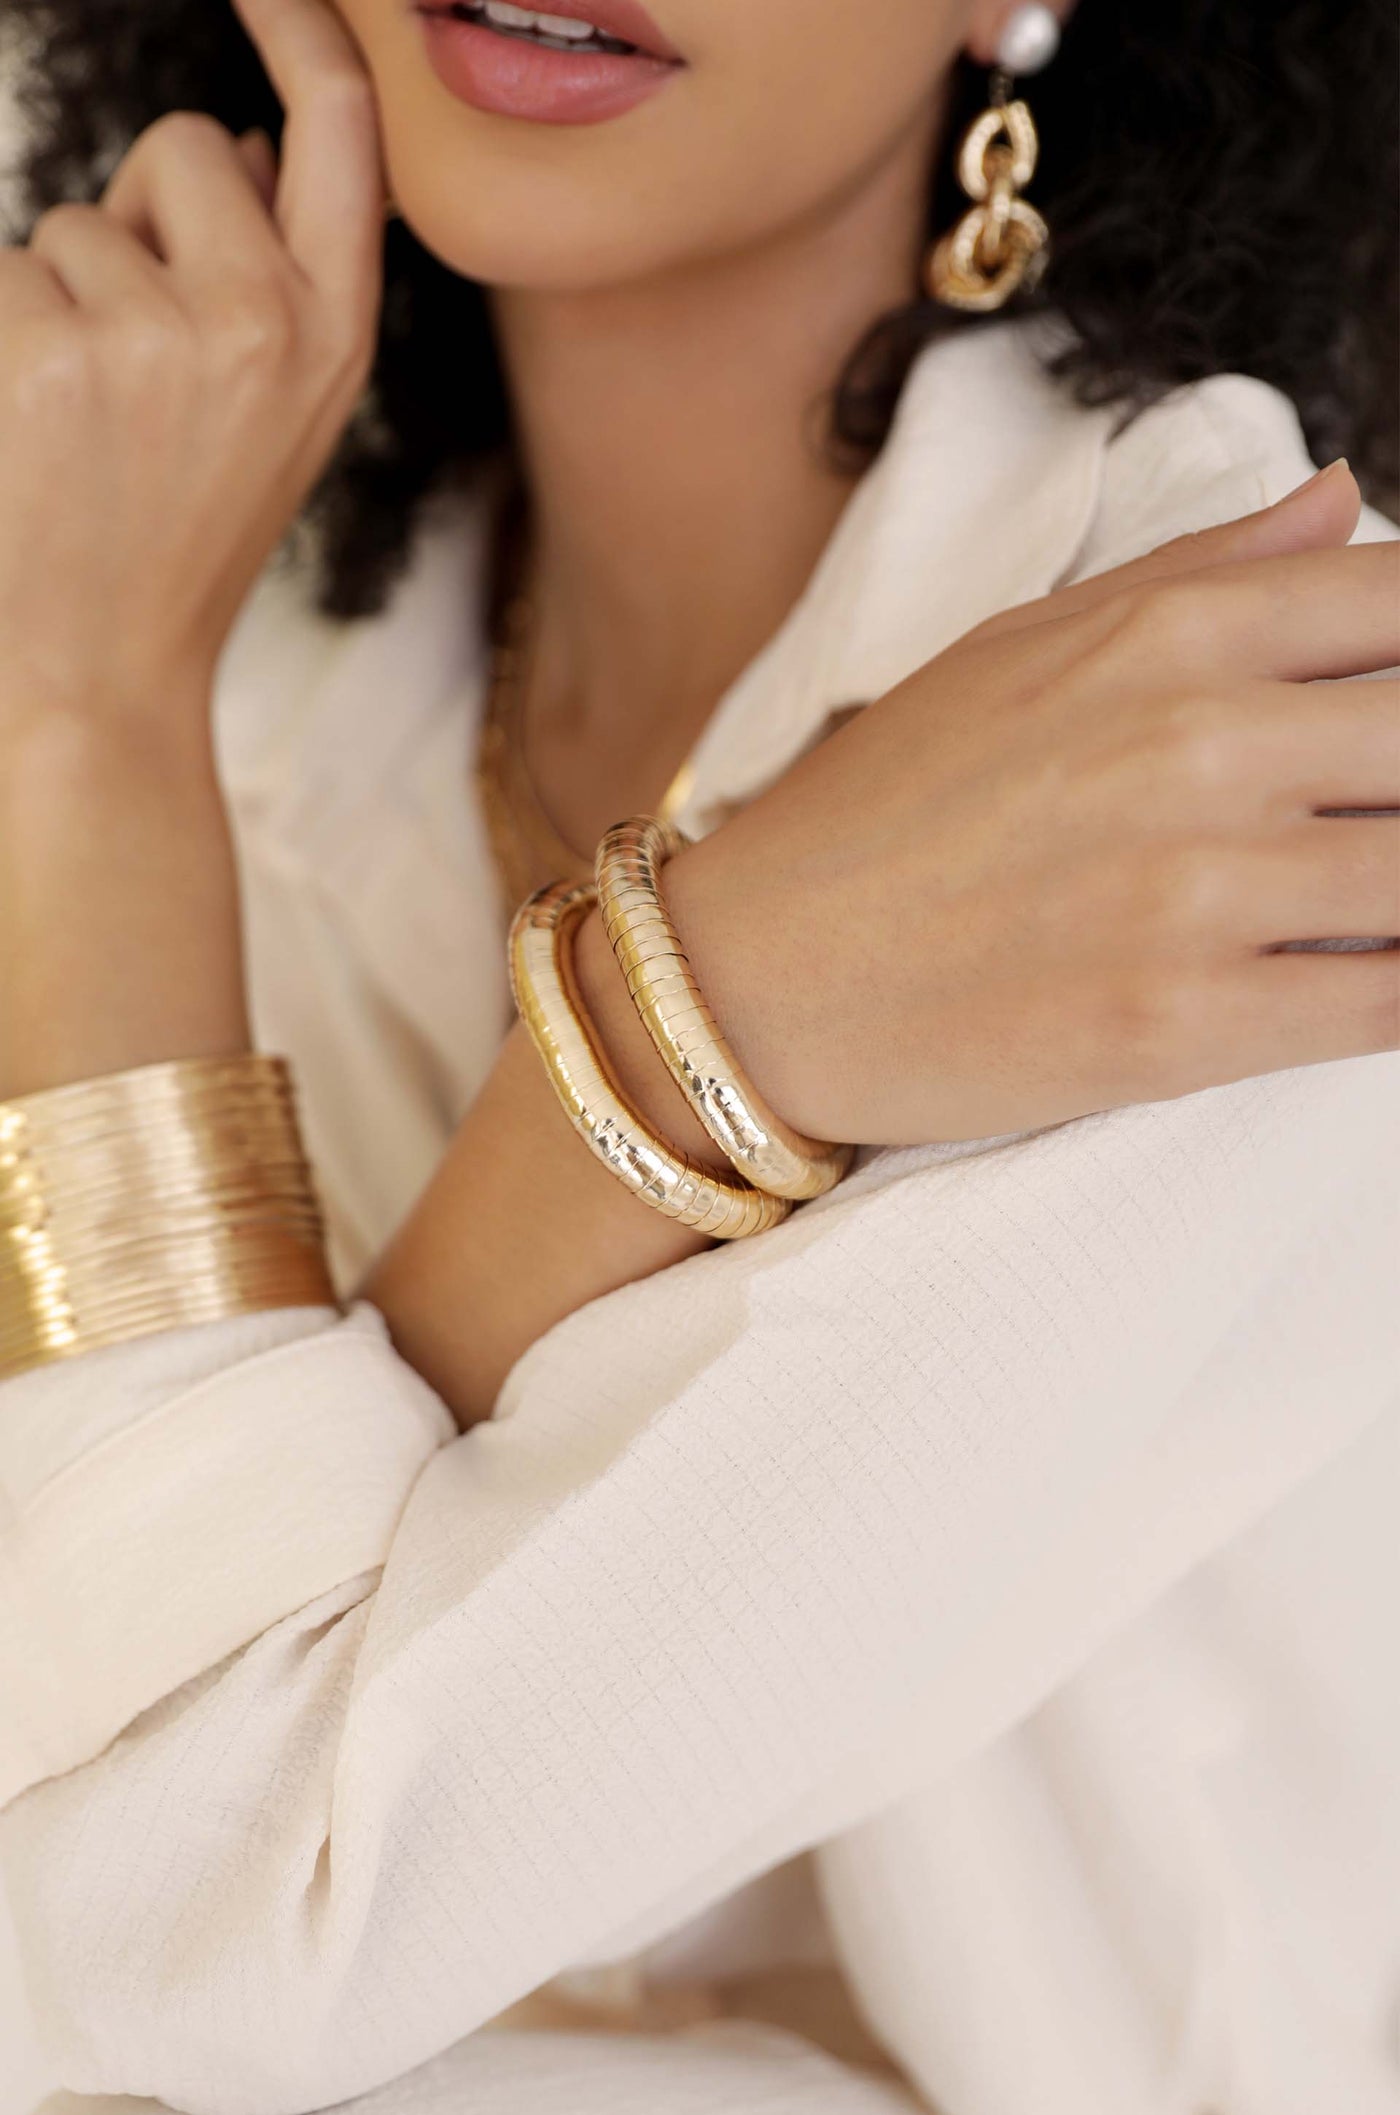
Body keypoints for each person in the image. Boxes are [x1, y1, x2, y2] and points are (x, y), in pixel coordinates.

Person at [0, 0, 1396, 2110]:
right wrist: (705, 999)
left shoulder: (1253, 743)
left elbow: (204, 1943)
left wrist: (87, 739)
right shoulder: (187, 571)